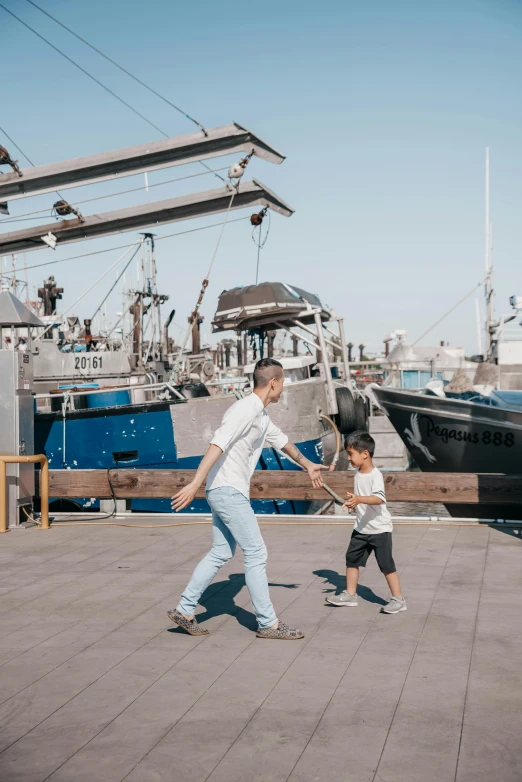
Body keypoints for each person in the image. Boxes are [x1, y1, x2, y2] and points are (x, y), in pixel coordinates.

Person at [168, 358, 329, 639]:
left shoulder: (261, 417)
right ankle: (268, 624)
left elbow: (285, 443)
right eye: (283, 385)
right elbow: (217, 444)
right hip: (228, 490)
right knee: (256, 553)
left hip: (223, 490)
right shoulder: (244, 410)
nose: (283, 390)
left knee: (222, 552)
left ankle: (184, 609)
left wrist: (308, 465)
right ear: (274, 383)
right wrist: (195, 483)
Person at [326, 431, 406, 614]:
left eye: (351, 454)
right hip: (361, 527)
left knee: (386, 565)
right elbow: (360, 499)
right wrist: (353, 503)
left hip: (379, 529)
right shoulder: (357, 473)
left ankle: (399, 599)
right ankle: (350, 595)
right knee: (351, 560)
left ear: (365, 454)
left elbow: (378, 499)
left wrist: (359, 499)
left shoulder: (375, 475)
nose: (349, 458)